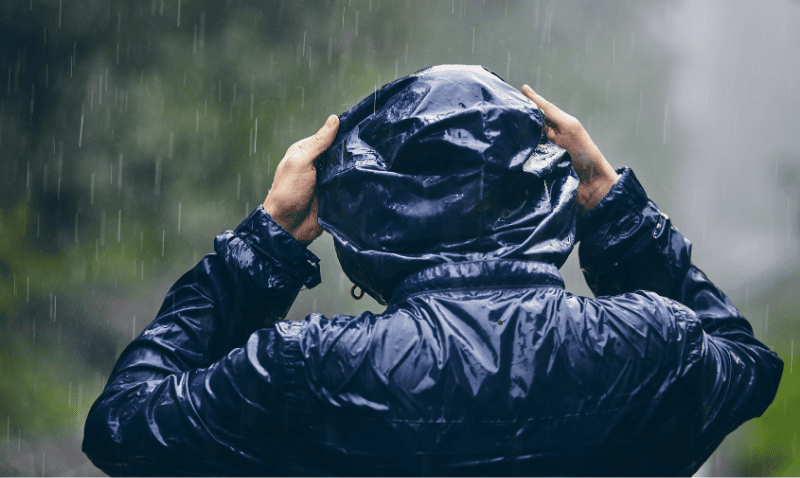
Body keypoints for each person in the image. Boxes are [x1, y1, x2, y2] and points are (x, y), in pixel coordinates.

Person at [82, 65, 783, 476]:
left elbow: (123, 430)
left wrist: (265, 243)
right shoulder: (655, 347)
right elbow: (750, 367)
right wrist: (613, 207)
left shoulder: (308, 368)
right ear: (549, 191)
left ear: (370, 214)